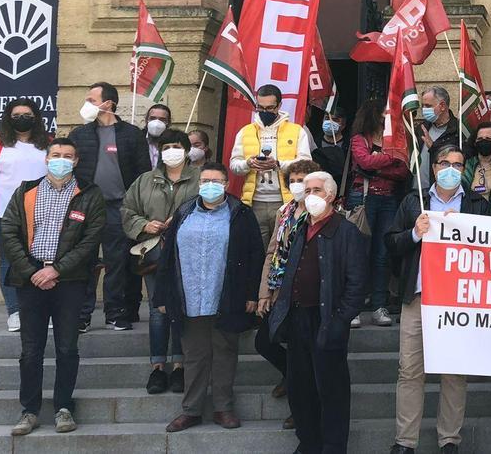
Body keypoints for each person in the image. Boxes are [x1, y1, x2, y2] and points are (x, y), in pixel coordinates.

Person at [1, 138, 103, 436]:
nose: (61, 160)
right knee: (30, 350)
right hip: (29, 279)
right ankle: (29, 411)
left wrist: (56, 269)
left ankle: (63, 408)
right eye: (56, 155)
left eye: (67, 156)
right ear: (46, 160)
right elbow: (8, 231)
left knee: (67, 347)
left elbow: (90, 239)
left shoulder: (89, 193)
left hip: (69, 281)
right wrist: (33, 271)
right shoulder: (25, 190)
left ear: (76, 161)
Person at [389, 145, 487, 454]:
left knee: (454, 371)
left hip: (457, 301)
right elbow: (391, 244)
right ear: (434, 168)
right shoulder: (413, 201)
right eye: (445, 163)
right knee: (409, 370)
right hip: (417, 298)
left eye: (458, 165)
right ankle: (405, 441)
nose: (451, 169)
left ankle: (449, 440)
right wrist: (415, 234)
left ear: (464, 170)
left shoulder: (476, 205)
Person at [156, 162, 263, 433]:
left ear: (226, 184)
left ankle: (223, 408)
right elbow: (167, 257)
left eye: (216, 180)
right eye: (205, 181)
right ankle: (191, 410)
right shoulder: (183, 212)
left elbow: (255, 256)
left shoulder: (241, 214)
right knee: (194, 355)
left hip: (226, 296)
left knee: (225, 352)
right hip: (189, 296)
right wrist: (162, 295)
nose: (209, 185)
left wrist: (252, 294)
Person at [268, 171, 369, 453]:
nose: (310, 194)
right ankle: (308, 441)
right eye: (307, 188)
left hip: (327, 319)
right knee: (300, 387)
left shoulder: (346, 232)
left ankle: (333, 446)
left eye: (316, 189)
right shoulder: (301, 227)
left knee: (331, 389)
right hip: (298, 316)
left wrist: (340, 320)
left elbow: (357, 283)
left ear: (331, 196)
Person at [121, 129, 200, 395]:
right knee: (158, 309)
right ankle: (157, 367)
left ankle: (180, 366)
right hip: (154, 253)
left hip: (189, 253)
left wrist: (182, 222)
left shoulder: (200, 178)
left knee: (181, 307)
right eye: (165, 147)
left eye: (176, 146)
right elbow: (127, 211)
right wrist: (145, 224)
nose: (171, 152)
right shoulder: (145, 180)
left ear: (187, 150)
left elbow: (213, 208)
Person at [69, 81, 151, 332]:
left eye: (91, 100)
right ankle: (82, 315)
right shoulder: (78, 134)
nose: (87, 105)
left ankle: (115, 313)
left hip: (119, 208)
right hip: (87, 207)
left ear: (108, 104)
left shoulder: (132, 134)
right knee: (85, 261)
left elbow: (143, 173)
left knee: (117, 262)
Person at [257, 158, 321, 417]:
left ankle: (300, 411)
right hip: (278, 290)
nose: (296, 185)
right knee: (264, 341)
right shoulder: (284, 212)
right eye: (292, 181)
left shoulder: (320, 214)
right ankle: (288, 375)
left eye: (302, 181)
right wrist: (264, 293)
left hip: (304, 296)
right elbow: (272, 252)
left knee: (300, 354)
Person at [349, 100, 411, 326]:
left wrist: (377, 167)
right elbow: (363, 161)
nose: (388, 120)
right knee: (359, 254)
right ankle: (353, 307)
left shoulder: (395, 142)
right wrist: (391, 158)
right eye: (384, 116)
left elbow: (403, 170)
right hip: (363, 199)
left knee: (382, 255)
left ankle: (379, 305)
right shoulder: (359, 139)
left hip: (388, 200)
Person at [0, 98, 49, 332]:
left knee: (41, 261)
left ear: (35, 117)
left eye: (27, 114)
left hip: (43, 213)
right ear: (7, 118)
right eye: (16, 115)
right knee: (9, 261)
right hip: (5, 213)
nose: (22, 118)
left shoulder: (48, 144)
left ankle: (41, 311)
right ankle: (15, 311)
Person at [228, 84, 312, 247]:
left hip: (286, 201)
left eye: (270, 108)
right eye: (260, 107)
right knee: (255, 250)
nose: (265, 112)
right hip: (254, 202)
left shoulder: (297, 131)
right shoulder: (245, 132)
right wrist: (248, 163)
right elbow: (234, 165)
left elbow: (306, 164)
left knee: (284, 248)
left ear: (279, 106)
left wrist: (278, 164)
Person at [416, 86, 460, 186]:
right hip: (415, 191)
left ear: (442, 106)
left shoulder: (458, 131)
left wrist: (433, 147)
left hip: (439, 191)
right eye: (422, 106)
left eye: (428, 106)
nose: (424, 110)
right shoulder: (421, 128)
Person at [311, 108, 349, 197]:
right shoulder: (314, 143)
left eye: (335, 120)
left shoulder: (349, 144)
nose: (330, 122)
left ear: (343, 125)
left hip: (342, 190)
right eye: (327, 118)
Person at [143, 103, 172, 168]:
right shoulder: (137, 139)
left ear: (168, 122)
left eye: (162, 119)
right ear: (147, 120)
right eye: (153, 118)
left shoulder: (174, 142)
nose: (156, 123)